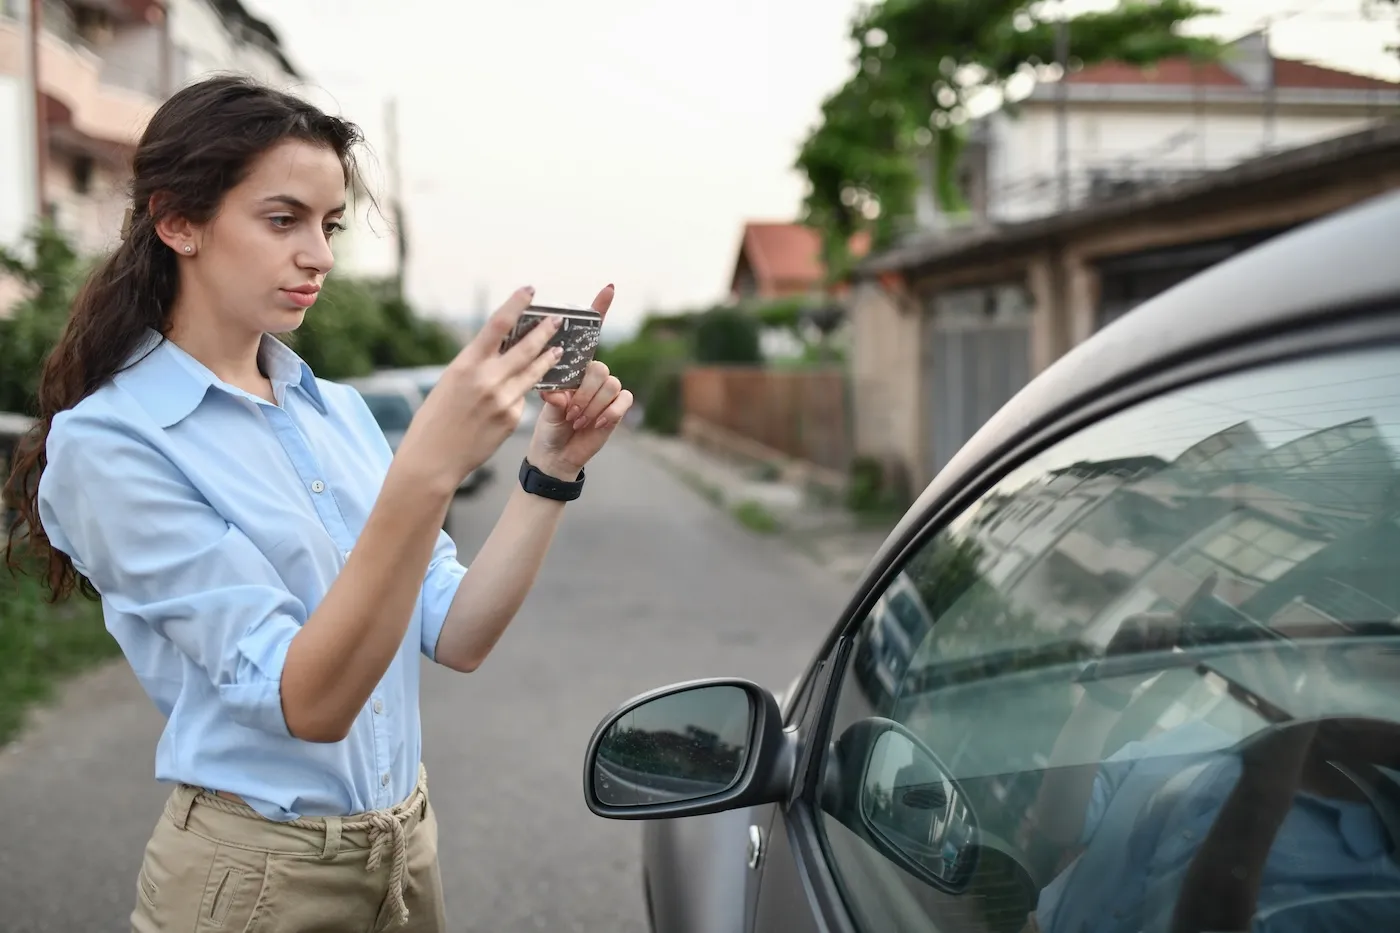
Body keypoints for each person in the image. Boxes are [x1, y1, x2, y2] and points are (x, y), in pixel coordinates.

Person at [2, 75, 632, 933]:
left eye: (328, 225)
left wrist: (549, 470)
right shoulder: (112, 443)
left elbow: (457, 629)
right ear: (177, 220)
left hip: (405, 850)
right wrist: (429, 467)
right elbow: (309, 702)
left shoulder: (333, 411)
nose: (321, 255)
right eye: (282, 218)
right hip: (253, 875)